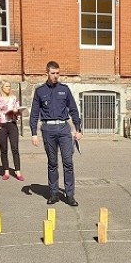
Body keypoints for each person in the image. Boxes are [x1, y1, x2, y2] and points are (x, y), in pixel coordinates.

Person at [30, 61, 83, 206]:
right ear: (46, 73)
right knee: (52, 163)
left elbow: (73, 109)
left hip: (64, 129)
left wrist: (78, 129)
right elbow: (34, 114)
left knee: (68, 162)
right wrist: (34, 133)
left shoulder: (64, 90)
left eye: (57, 73)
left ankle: (70, 194)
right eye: (53, 73)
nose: (55, 76)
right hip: (48, 130)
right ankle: (53, 194)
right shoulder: (40, 91)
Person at [0, 80, 24, 181]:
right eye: (7, 86)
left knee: (15, 148)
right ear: (2, 87)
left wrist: (17, 113)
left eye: (10, 86)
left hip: (12, 125)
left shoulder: (14, 98)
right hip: (2, 126)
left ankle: (18, 172)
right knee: (4, 149)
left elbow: (18, 112)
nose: (9, 88)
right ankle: (6, 171)